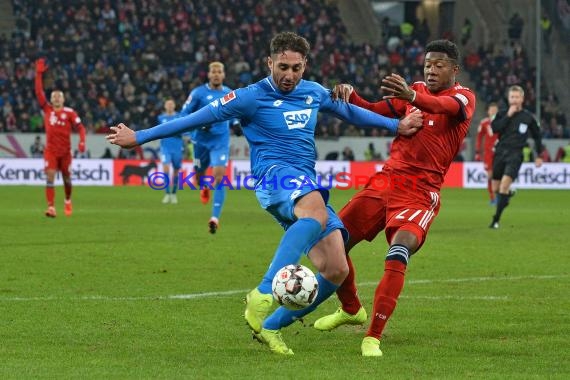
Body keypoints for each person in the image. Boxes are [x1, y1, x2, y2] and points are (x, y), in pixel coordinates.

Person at [107, 32, 423, 355]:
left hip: (301, 181)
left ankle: (271, 327)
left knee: (336, 269)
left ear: (305, 66)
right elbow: (194, 119)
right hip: (274, 178)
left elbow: (351, 113)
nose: (289, 75)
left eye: (296, 68)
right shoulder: (249, 97)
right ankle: (261, 294)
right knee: (314, 210)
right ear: (269, 62)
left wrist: (395, 127)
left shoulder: (313, 92)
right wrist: (141, 136)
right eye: (282, 67)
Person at [312, 40, 476, 357]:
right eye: (428, 63)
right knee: (334, 241)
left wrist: (412, 96)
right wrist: (351, 95)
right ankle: (350, 309)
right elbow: (373, 110)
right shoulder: (412, 93)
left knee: (399, 249)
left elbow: (444, 108)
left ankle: (372, 335)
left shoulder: (463, 97)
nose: (431, 69)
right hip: (386, 180)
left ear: (454, 69)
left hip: (419, 191)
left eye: (439, 64)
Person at [179, 62, 236, 233]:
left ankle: (215, 217)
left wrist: (237, 123)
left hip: (220, 141)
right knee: (199, 178)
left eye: (220, 71)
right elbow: (184, 114)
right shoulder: (198, 93)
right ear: (209, 75)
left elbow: (236, 114)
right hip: (200, 142)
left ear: (224, 75)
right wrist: (199, 125)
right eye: (214, 72)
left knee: (219, 176)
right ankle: (204, 187)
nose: (217, 74)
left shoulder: (229, 94)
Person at [35, 58, 86, 218]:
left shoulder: (70, 113)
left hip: (65, 153)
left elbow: (81, 128)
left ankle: (68, 200)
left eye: (59, 96)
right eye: (54, 96)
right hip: (51, 151)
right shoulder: (47, 110)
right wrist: (38, 74)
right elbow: (38, 92)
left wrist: (82, 141)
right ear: (51, 99)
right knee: (50, 177)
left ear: (63, 99)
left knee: (67, 180)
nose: (56, 98)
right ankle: (51, 207)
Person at [489, 85, 543, 229]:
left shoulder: (528, 117)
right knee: (496, 189)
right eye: (512, 97)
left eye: (517, 97)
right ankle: (507, 195)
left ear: (522, 99)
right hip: (500, 152)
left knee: (504, 185)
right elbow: (494, 129)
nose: (514, 100)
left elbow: (537, 137)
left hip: (515, 154)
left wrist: (539, 155)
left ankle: (495, 220)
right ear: (508, 98)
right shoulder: (501, 114)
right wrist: (508, 116)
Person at [158, 98, 183, 204]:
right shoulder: (160, 118)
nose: (169, 106)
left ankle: (173, 193)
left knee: (176, 171)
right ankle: (167, 193)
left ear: (174, 106)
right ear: (164, 106)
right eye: (167, 104)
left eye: (171, 104)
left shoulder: (179, 117)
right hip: (165, 148)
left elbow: (183, 131)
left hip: (177, 148)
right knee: (166, 169)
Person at [475, 102, 499, 204]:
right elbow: (479, 137)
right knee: (490, 175)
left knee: (499, 175)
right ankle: (492, 197)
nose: (493, 111)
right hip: (488, 153)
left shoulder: (502, 121)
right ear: (488, 111)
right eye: (491, 110)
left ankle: (499, 196)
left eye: (495, 110)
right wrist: (477, 151)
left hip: (500, 152)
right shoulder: (484, 123)